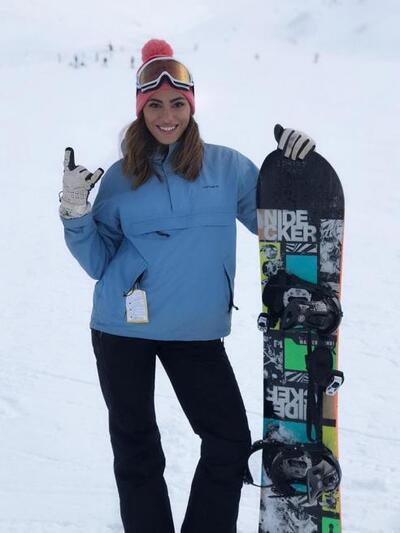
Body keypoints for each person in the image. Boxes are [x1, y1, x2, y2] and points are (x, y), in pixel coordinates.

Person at [59, 38, 315, 533]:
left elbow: (274, 223)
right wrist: (75, 212)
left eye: (177, 103)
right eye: (154, 104)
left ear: (192, 106)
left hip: (196, 330)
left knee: (228, 441)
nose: (167, 115)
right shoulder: (120, 178)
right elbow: (98, 261)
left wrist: (294, 170)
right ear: (140, 110)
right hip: (122, 328)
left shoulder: (227, 168)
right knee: (136, 448)